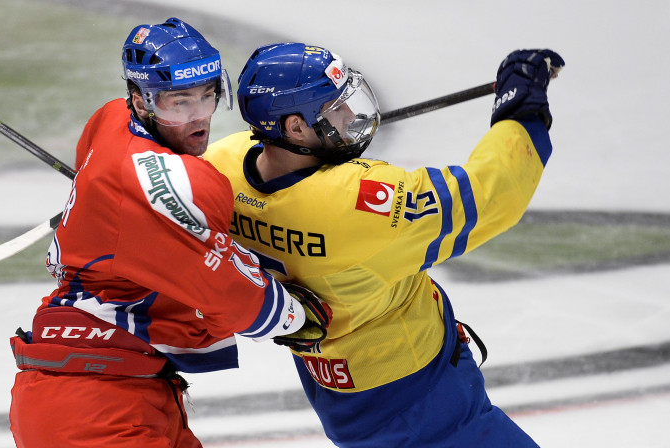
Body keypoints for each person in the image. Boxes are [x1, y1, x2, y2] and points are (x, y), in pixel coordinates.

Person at [204, 42, 564, 447]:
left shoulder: (220, 167)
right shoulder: (354, 204)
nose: (350, 115)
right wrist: (521, 112)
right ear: (295, 128)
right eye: (333, 109)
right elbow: (491, 195)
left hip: (337, 389)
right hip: (419, 401)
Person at [8, 21, 329, 448]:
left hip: (110, 388)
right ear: (140, 101)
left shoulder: (110, 118)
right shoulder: (181, 184)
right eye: (178, 103)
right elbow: (229, 292)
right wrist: (293, 316)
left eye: (207, 96)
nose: (198, 117)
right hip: (95, 407)